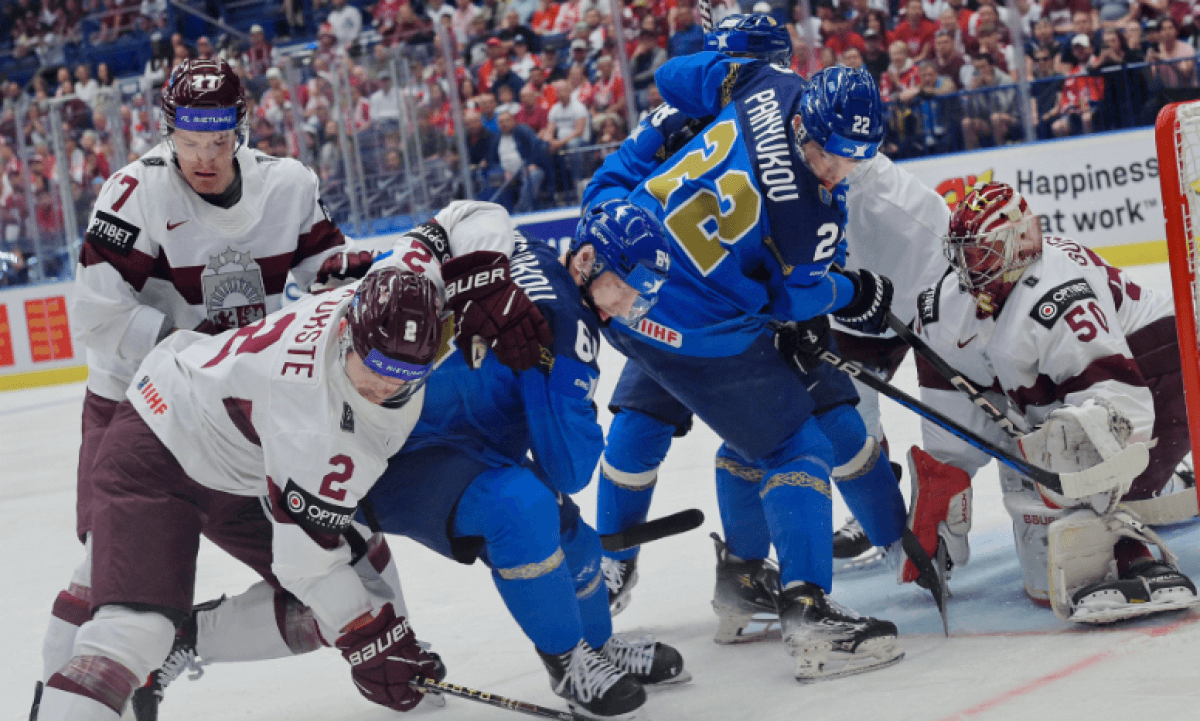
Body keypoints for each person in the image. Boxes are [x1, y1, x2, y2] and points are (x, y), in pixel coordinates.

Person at [32, 57, 551, 719]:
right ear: (168, 132)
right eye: (189, 143)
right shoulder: (134, 195)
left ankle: (224, 640)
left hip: (259, 405)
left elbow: (333, 269)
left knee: (356, 564)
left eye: (218, 141)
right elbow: (100, 318)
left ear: (241, 129)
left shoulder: (288, 186)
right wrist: (214, 357)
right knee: (109, 574)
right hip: (150, 401)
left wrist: (387, 281)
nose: (204, 157)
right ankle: (57, 692)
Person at [591, 54, 908, 682]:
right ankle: (810, 615)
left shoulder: (767, 83)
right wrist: (855, 294)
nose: (837, 168)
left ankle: (700, 576)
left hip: (626, 278)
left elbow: (674, 79)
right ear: (808, 125)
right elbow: (796, 301)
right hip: (691, 327)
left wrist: (729, 66)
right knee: (797, 447)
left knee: (651, 423)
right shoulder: (807, 218)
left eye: (853, 157)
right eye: (828, 153)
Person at [35, 261, 449, 721]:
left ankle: (188, 635)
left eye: (406, 374)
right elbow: (306, 567)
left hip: (244, 460)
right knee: (134, 632)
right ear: (349, 333)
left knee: (367, 584)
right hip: (160, 443)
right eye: (375, 366)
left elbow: (456, 224)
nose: (387, 386)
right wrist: (368, 638)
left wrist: (483, 265)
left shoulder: (382, 304)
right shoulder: (312, 417)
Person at [363, 201, 686, 719]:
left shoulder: (530, 252)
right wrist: (574, 397)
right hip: (395, 453)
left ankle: (595, 648)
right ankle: (567, 662)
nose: (628, 306)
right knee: (523, 506)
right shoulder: (566, 328)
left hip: (444, 432)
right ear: (585, 259)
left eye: (640, 295)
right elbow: (571, 467)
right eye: (627, 286)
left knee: (573, 534)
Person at [900, 181, 1198, 623]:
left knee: (1070, 441)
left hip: (1167, 363)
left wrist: (1093, 491)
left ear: (1019, 243)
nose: (968, 265)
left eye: (981, 251)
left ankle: (1133, 547)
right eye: (963, 251)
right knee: (1042, 545)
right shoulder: (947, 303)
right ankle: (1158, 488)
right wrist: (944, 480)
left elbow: (1119, 407)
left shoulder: (1056, 294)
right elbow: (959, 403)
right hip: (1086, 387)